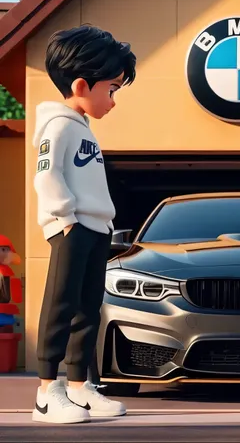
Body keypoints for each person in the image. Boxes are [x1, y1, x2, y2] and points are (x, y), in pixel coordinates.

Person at [31, 25, 136, 424]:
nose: (113, 100)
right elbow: (46, 174)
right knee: (61, 305)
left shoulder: (83, 130)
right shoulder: (57, 126)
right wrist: (66, 216)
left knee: (88, 308)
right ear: (81, 85)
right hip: (71, 227)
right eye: (111, 89)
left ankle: (79, 387)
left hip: (95, 228)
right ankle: (46, 391)